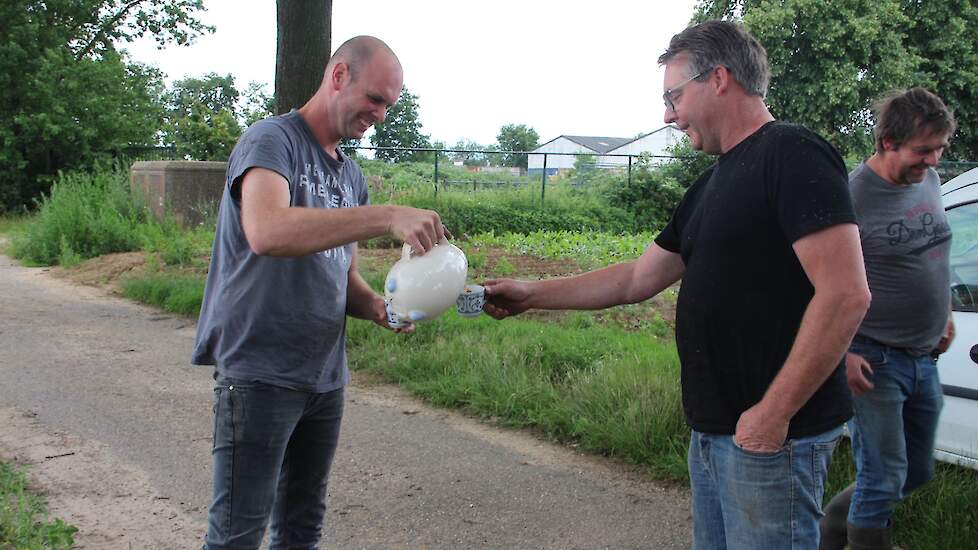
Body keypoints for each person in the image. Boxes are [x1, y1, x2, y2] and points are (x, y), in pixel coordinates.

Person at [482, 20, 870, 549]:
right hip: (716, 432)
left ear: (719, 79)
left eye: (673, 96)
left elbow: (846, 293)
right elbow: (636, 278)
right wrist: (530, 294)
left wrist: (773, 412)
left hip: (771, 438)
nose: (667, 114)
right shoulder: (710, 183)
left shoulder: (792, 153)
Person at [191, 36, 447, 549]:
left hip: (324, 377)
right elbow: (267, 231)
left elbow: (341, 276)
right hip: (260, 371)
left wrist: (378, 306)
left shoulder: (350, 174)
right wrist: (385, 217)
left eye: (388, 105)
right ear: (337, 76)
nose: (379, 114)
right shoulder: (272, 141)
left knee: (302, 529)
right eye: (374, 98)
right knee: (238, 533)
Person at [819, 88, 956, 550]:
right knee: (883, 476)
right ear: (886, 141)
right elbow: (812, 282)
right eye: (923, 150)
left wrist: (947, 311)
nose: (933, 160)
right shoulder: (851, 197)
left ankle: (829, 531)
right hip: (873, 359)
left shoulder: (929, 182)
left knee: (914, 470)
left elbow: (936, 251)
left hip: (925, 356)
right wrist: (842, 353)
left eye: (940, 148)